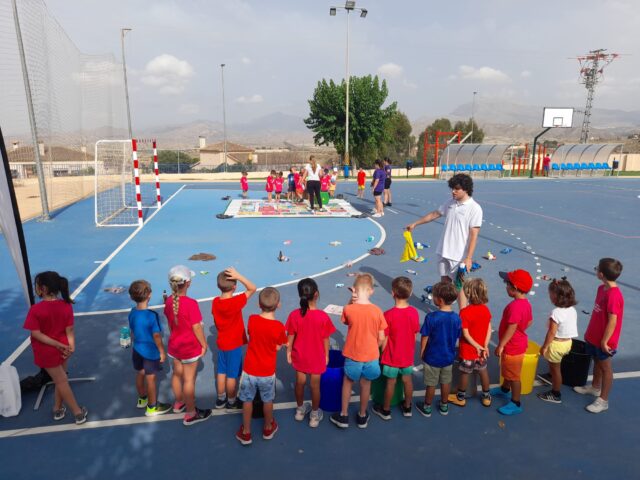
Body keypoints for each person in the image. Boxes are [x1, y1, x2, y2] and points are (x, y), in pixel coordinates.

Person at [406, 173, 482, 307]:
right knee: (444, 284)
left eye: (456, 189)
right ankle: (445, 311)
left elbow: (474, 235)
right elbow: (435, 214)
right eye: (452, 188)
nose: (453, 191)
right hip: (443, 250)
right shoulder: (450, 203)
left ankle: (462, 317)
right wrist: (415, 223)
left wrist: (469, 258)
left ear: (466, 189)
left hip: (458, 256)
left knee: (460, 288)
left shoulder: (474, 208)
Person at [23, 271, 88, 425]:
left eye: (37, 285)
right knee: (61, 378)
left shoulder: (36, 310)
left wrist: (58, 345)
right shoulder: (66, 306)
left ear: (43, 289)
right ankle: (57, 408)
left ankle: (77, 413)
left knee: (61, 380)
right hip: (64, 347)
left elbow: (36, 334)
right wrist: (71, 345)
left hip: (48, 351)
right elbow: (69, 330)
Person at [330, 273, 387, 429]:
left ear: (354, 290)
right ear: (371, 291)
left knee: (348, 382)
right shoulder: (377, 311)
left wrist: (351, 299)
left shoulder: (349, 309)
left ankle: (343, 415)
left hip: (353, 354)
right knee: (365, 384)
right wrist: (375, 346)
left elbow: (345, 320)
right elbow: (382, 337)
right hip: (371, 355)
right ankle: (362, 415)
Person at [236, 288, 287, 445]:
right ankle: (267, 427)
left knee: (247, 400)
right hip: (267, 371)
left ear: (259, 304)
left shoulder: (252, 319)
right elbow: (279, 346)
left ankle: (246, 431)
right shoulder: (279, 326)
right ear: (278, 305)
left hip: (250, 369)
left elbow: (252, 335)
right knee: (267, 399)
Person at [574, 258, 624, 414]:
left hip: (605, 341)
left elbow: (612, 321)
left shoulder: (614, 296)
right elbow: (598, 314)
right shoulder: (601, 289)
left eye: (596, 269)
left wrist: (604, 341)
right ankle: (595, 387)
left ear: (601, 274)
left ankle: (603, 400)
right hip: (594, 336)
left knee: (606, 368)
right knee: (596, 361)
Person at [164, 265, 212, 426]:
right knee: (189, 380)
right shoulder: (191, 304)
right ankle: (191, 413)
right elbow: (196, 327)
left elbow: (171, 325)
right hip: (189, 348)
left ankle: (179, 402)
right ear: (188, 283)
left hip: (174, 346)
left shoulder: (169, 301)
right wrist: (203, 344)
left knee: (177, 374)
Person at [286, 278, 336, 427]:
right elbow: (325, 339)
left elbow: (290, 335)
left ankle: (300, 410)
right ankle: (314, 414)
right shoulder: (322, 317)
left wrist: (289, 350)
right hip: (316, 357)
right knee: (315, 386)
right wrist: (326, 355)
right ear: (317, 294)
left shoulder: (294, 315)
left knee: (300, 383)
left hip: (300, 355)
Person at [373, 276, 420, 420]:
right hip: (407, 356)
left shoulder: (388, 315)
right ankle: (407, 407)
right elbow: (413, 333)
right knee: (407, 381)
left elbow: (385, 339)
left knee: (390, 383)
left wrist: (378, 353)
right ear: (410, 294)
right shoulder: (414, 313)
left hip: (391, 357)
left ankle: (385, 410)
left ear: (392, 293)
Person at [212, 267, 257, 411]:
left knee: (221, 372)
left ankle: (220, 399)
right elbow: (252, 288)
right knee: (232, 375)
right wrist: (239, 275)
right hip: (234, 344)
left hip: (222, 343)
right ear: (234, 286)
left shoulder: (215, 302)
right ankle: (231, 401)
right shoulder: (236, 302)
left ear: (219, 286)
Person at [490, 269, 534, 416]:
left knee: (514, 376)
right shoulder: (525, 304)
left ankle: (516, 402)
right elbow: (529, 321)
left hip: (513, 347)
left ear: (514, 287)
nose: (505, 286)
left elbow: (512, 327)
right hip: (518, 343)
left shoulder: (515, 307)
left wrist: (501, 345)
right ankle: (504, 389)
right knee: (508, 371)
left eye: (507, 283)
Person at [415, 282, 461, 417]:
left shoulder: (431, 317)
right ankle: (444, 405)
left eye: (433, 296)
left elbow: (425, 337)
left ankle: (427, 407)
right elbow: (457, 337)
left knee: (431, 384)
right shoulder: (456, 318)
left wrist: (422, 351)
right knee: (446, 382)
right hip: (448, 357)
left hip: (432, 357)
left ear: (439, 300)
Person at [128, 280, 171, 416]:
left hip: (137, 349)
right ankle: (152, 407)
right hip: (150, 352)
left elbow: (132, 331)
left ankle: (142, 399)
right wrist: (162, 351)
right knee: (151, 378)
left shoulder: (132, 312)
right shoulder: (152, 316)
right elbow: (157, 336)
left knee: (140, 373)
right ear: (149, 295)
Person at [448, 278, 492, 408]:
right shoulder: (485, 310)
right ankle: (486, 396)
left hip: (468, 351)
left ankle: (460, 397)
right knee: (483, 372)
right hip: (481, 351)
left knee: (465, 373)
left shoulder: (465, 312)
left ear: (468, 294)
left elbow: (466, 334)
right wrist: (484, 346)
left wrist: (477, 346)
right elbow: (489, 329)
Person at [537, 277, 578, 404]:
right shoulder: (571, 309)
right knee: (555, 365)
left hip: (557, 344)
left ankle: (556, 393)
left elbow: (551, 332)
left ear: (556, 296)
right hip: (567, 342)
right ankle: (551, 375)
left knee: (556, 369)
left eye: (550, 294)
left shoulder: (556, 313)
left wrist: (544, 347)